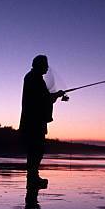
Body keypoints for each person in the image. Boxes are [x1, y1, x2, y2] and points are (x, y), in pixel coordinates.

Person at [19, 55, 65, 188]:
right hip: (35, 121)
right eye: (45, 65)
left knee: (35, 149)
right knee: (37, 149)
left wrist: (55, 95)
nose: (47, 68)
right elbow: (42, 99)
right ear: (40, 65)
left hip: (33, 120)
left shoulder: (32, 77)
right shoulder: (35, 79)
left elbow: (43, 98)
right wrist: (56, 95)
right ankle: (33, 178)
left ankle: (33, 177)